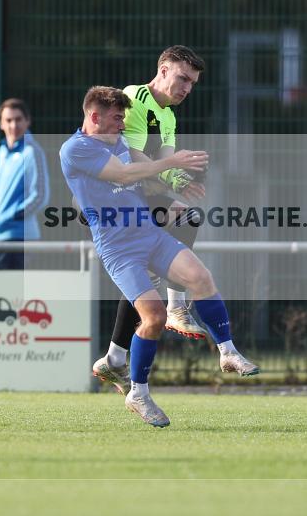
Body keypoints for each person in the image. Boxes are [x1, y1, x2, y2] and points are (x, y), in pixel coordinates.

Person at [60, 86, 259, 427]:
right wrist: (172, 161)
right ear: (94, 117)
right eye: (117, 118)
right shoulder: (76, 149)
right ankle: (138, 393)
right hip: (119, 248)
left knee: (201, 278)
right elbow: (122, 175)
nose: (123, 124)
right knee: (151, 318)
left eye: (123, 117)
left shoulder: (117, 142)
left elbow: (141, 165)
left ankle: (227, 352)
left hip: (149, 234)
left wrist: (175, 177)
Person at [92, 45, 210, 395]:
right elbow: (134, 158)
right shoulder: (133, 97)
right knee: (183, 223)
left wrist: (181, 181)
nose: (187, 88)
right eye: (183, 78)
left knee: (144, 277)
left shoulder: (170, 117)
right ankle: (175, 307)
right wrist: (171, 174)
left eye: (193, 83)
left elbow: (164, 163)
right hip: (108, 197)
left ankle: (114, 358)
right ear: (163, 70)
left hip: (136, 197)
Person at [0, 98, 50, 270]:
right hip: (2, 236)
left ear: (27, 121)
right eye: (8, 120)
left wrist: (13, 216)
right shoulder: (2, 150)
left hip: (22, 238)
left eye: (18, 119)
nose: (13, 125)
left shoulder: (32, 151)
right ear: (1, 124)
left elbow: (40, 196)